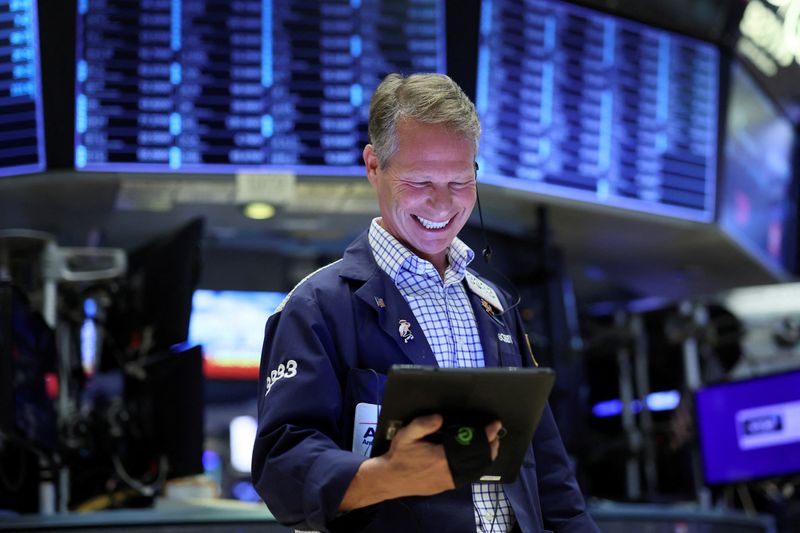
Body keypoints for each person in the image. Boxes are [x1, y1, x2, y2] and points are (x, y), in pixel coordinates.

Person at [252, 73, 599, 533]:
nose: (442, 204)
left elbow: (549, 474)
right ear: (374, 166)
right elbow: (282, 466)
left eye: (460, 181)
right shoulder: (316, 306)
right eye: (420, 181)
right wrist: (385, 477)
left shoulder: (492, 304)